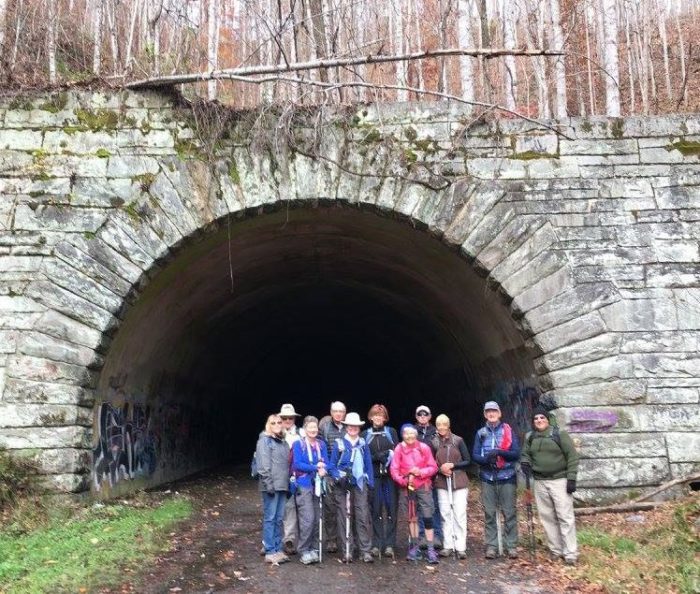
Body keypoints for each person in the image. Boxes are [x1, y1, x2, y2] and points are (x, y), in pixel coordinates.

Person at [520, 405, 580, 565]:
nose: (539, 420)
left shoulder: (560, 434)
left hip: (559, 480)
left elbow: (572, 456)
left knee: (565, 516)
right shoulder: (530, 437)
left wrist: (572, 478)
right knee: (547, 517)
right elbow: (525, 453)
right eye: (536, 418)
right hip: (540, 481)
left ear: (547, 419)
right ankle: (556, 550)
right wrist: (525, 462)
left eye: (542, 418)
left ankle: (571, 553)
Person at [472, 401, 521, 560]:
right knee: (490, 513)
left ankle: (511, 545)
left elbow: (515, 453)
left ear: (499, 413)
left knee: (509, 512)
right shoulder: (481, 433)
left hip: (506, 476)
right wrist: (487, 460)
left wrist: (500, 452)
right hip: (488, 477)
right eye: (488, 412)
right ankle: (492, 545)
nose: (491, 414)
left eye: (494, 411)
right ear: (485, 415)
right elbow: (475, 455)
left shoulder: (508, 431)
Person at [328, 411, 375, 563]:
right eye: (350, 426)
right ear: (346, 427)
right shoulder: (339, 444)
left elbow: (368, 465)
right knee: (344, 516)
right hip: (342, 485)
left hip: (359, 483)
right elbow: (331, 465)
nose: (353, 428)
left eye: (355, 426)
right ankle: (347, 549)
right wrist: (339, 476)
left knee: (362, 515)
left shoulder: (363, 444)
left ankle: (365, 550)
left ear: (359, 428)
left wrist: (370, 483)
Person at [390, 424, 440, 563]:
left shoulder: (423, 447)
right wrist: (403, 481)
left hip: (423, 486)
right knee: (412, 518)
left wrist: (421, 472)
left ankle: (430, 549)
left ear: (416, 434)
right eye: (406, 434)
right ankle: (415, 547)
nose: (409, 436)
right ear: (402, 435)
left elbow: (433, 467)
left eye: (412, 433)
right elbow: (394, 469)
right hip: (408, 487)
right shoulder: (399, 448)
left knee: (428, 516)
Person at [291, 415, 329, 565]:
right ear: (304, 429)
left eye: (315, 427)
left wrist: (324, 469)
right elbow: (297, 464)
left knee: (318, 516)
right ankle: (304, 549)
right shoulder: (297, 444)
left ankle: (314, 547)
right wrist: (315, 467)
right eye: (310, 427)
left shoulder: (321, 445)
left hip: (318, 483)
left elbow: (325, 461)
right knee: (308, 518)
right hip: (304, 483)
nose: (313, 430)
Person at [432, 414, 470, 559]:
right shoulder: (434, 442)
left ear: (449, 425)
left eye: (444, 424)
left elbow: (468, 460)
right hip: (442, 482)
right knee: (445, 514)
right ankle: (448, 545)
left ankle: (460, 547)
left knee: (459, 514)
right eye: (439, 424)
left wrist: (453, 465)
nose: (441, 427)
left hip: (459, 481)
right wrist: (440, 468)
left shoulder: (458, 440)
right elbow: (431, 462)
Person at [364, 404, 399, 558]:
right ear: (371, 417)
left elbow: (398, 452)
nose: (378, 418)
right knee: (376, 509)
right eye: (375, 415)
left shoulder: (391, 432)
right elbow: (362, 456)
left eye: (381, 415)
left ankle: (390, 544)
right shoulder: (366, 434)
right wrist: (375, 457)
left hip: (390, 477)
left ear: (385, 418)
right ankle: (377, 544)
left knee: (391, 509)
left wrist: (388, 456)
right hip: (375, 477)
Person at [256, 414, 291, 564]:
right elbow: (263, 466)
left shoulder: (283, 442)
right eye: (273, 422)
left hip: (282, 485)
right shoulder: (265, 441)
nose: (277, 424)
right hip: (271, 486)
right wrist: (269, 484)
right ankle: (270, 550)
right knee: (270, 518)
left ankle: (277, 549)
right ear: (268, 425)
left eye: (279, 422)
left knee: (278, 519)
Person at [319, 401, 346, 553]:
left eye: (341, 411)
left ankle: (346, 538)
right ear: (331, 412)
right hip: (329, 472)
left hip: (345, 473)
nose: (338, 414)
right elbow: (322, 450)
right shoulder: (325, 428)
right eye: (335, 411)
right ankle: (331, 540)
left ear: (344, 413)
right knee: (330, 508)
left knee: (345, 508)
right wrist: (328, 470)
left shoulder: (349, 427)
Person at [414, 405, 443, 549]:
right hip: (419, 476)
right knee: (420, 506)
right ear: (416, 416)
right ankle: (421, 536)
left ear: (430, 416)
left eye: (425, 414)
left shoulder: (436, 432)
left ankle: (436, 535)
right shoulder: (412, 432)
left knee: (435, 505)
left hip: (434, 475)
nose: (422, 417)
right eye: (420, 415)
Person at [279, 403, 303, 555]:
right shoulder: (276, 433)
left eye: (290, 418)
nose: (288, 420)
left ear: (294, 418)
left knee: (302, 507)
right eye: (285, 418)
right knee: (288, 508)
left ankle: (303, 541)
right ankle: (289, 539)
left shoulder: (301, 433)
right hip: (283, 475)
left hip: (300, 474)